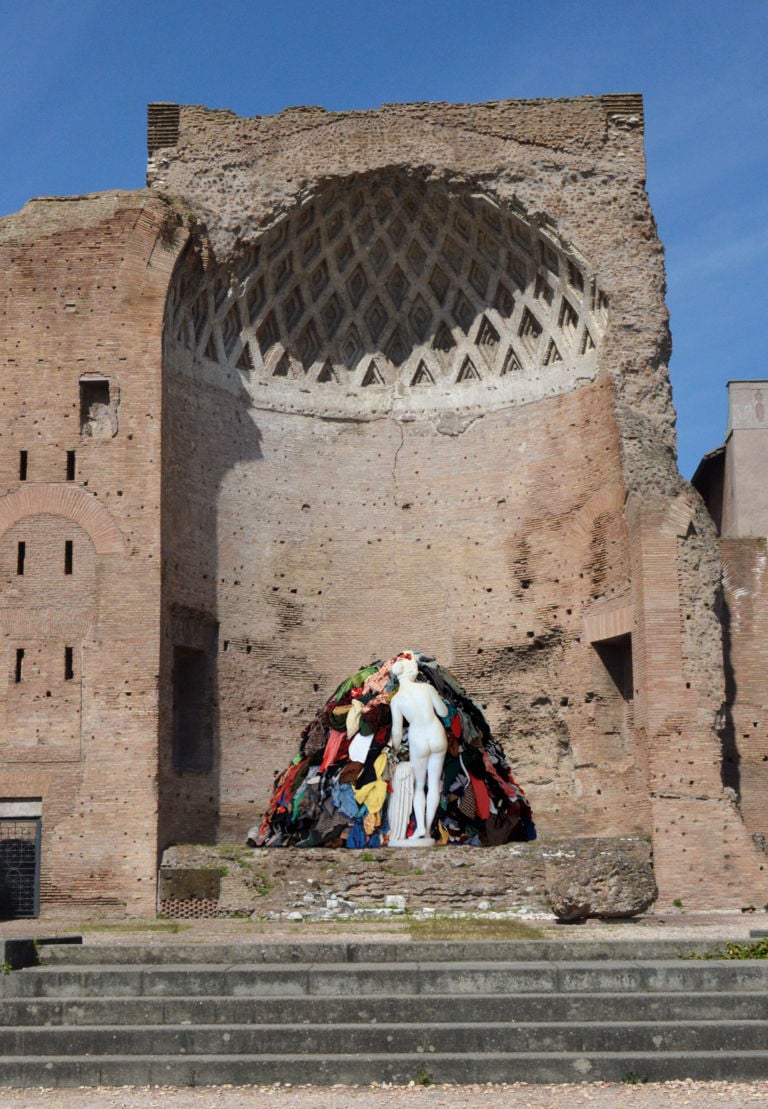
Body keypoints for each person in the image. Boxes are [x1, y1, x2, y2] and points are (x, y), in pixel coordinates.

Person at [389, 655, 448, 844]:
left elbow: (397, 731)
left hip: (418, 738)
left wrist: (394, 752)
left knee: (418, 786)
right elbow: (443, 713)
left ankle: (420, 827)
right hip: (437, 734)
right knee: (433, 786)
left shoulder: (396, 700)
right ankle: (429, 830)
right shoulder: (427, 688)